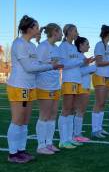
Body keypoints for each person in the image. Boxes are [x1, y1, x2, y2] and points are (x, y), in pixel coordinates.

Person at [6, 15, 63, 163]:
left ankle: (21, 151)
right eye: (36, 27)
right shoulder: (19, 43)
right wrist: (51, 65)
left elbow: (37, 66)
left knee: (25, 121)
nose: (39, 30)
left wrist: (49, 63)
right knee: (17, 120)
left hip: (30, 87)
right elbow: (29, 67)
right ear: (30, 28)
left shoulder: (32, 46)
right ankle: (13, 154)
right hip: (19, 86)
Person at [58, 24, 93, 149]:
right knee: (66, 109)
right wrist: (81, 62)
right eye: (75, 31)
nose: (77, 32)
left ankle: (69, 137)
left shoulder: (73, 47)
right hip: (69, 80)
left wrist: (85, 62)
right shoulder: (63, 46)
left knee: (72, 109)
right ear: (68, 32)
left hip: (77, 81)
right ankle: (63, 140)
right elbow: (63, 64)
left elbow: (77, 64)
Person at [36, 23, 64, 155]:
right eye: (60, 32)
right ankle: (41, 145)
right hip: (44, 85)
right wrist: (50, 64)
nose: (62, 35)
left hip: (55, 85)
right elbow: (36, 65)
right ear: (54, 31)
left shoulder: (57, 48)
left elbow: (58, 65)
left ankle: (49, 143)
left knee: (53, 115)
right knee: (44, 115)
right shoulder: (43, 46)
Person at [73, 36, 96, 142]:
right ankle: (76, 134)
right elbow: (79, 72)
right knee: (80, 110)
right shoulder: (77, 56)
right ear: (80, 45)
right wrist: (94, 67)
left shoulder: (82, 56)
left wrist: (90, 66)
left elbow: (84, 71)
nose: (89, 46)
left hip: (85, 86)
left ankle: (77, 133)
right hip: (81, 86)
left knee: (81, 111)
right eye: (87, 44)